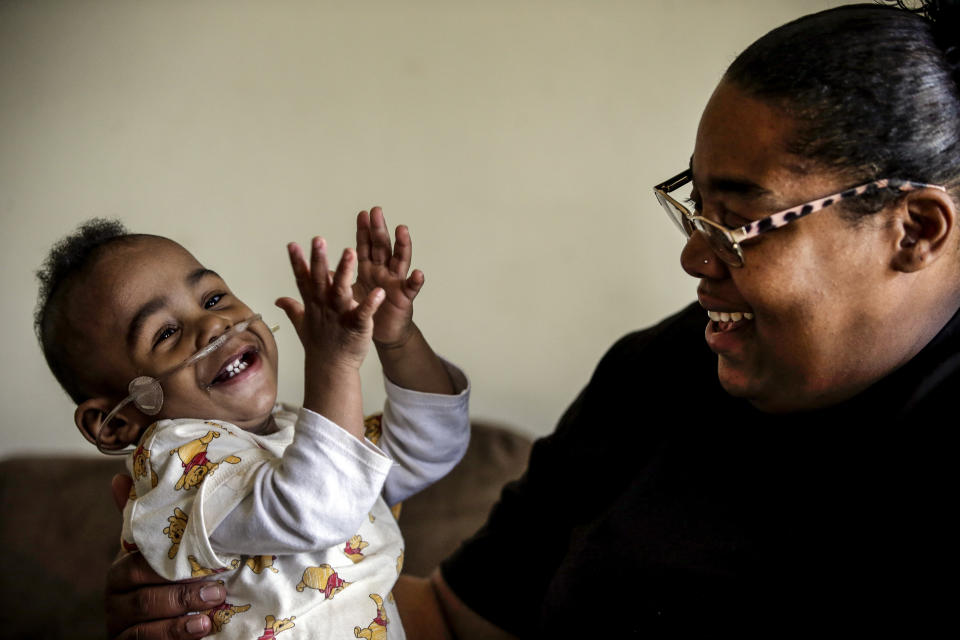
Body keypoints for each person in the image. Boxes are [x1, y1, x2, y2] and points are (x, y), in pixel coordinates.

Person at [103, 1, 960, 636]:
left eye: (736, 221)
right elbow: (452, 618)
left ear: (914, 231)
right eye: (691, 211)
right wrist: (223, 608)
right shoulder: (662, 370)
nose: (696, 260)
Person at [35, 209, 469, 639]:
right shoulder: (176, 466)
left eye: (212, 299)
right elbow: (316, 504)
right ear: (115, 422)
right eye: (165, 334)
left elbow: (429, 447)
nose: (213, 325)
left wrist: (397, 338)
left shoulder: (296, 431)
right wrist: (333, 364)